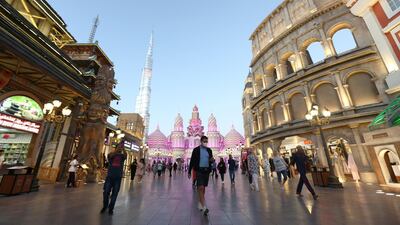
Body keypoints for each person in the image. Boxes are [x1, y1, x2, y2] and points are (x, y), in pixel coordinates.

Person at [188, 136, 213, 216]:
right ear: (201, 141)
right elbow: (192, 160)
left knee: (203, 188)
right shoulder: (196, 150)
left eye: (206, 141)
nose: (205, 142)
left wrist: (212, 161)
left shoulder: (209, 150)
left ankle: (200, 202)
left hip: (206, 171)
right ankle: (204, 207)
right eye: (204, 141)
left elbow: (211, 160)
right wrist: (189, 171)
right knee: (200, 187)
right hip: (199, 170)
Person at [101, 142, 127, 215]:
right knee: (106, 192)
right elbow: (110, 157)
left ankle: (111, 208)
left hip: (118, 178)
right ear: (115, 147)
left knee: (115, 193)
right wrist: (116, 150)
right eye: (118, 147)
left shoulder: (122, 156)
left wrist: (123, 149)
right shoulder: (111, 154)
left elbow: (125, 155)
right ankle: (105, 206)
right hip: (109, 177)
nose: (120, 148)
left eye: (120, 147)